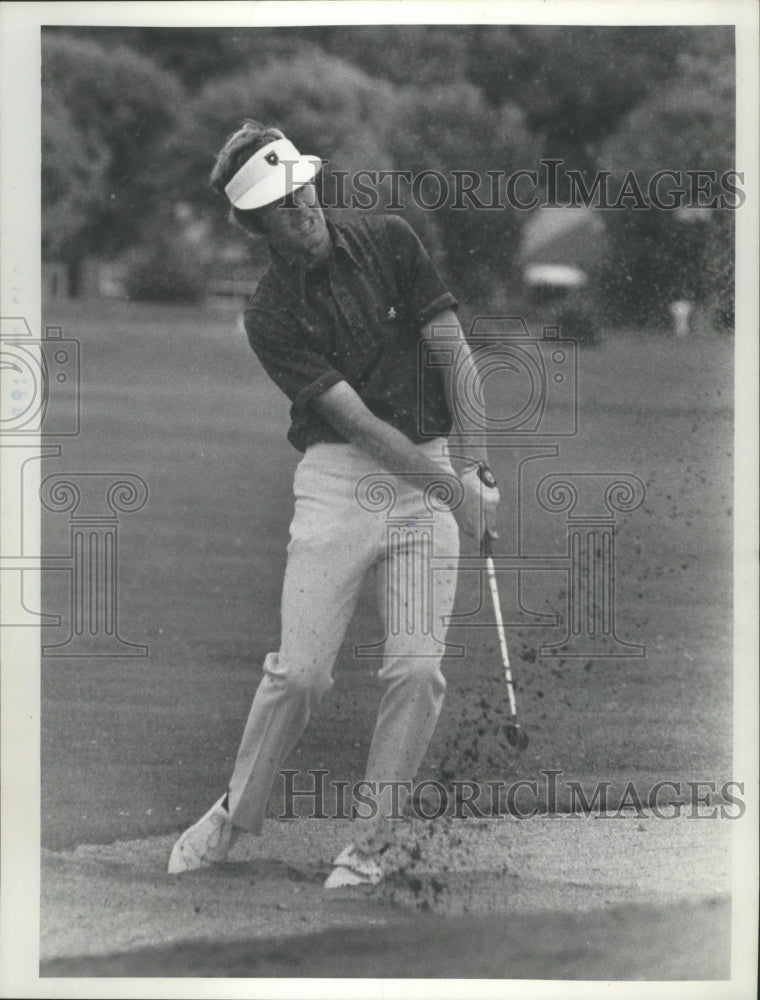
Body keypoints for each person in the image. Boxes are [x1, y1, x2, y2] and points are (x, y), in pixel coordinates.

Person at [168, 120, 500, 887]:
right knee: (303, 674)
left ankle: (370, 846)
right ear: (257, 227)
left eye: (305, 189)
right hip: (336, 482)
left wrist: (478, 470)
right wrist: (455, 493)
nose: (304, 207)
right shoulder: (269, 315)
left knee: (417, 672)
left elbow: (456, 355)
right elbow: (358, 425)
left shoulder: (389, 239)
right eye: (283, 205)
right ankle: (233, 814)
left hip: (435, 470)